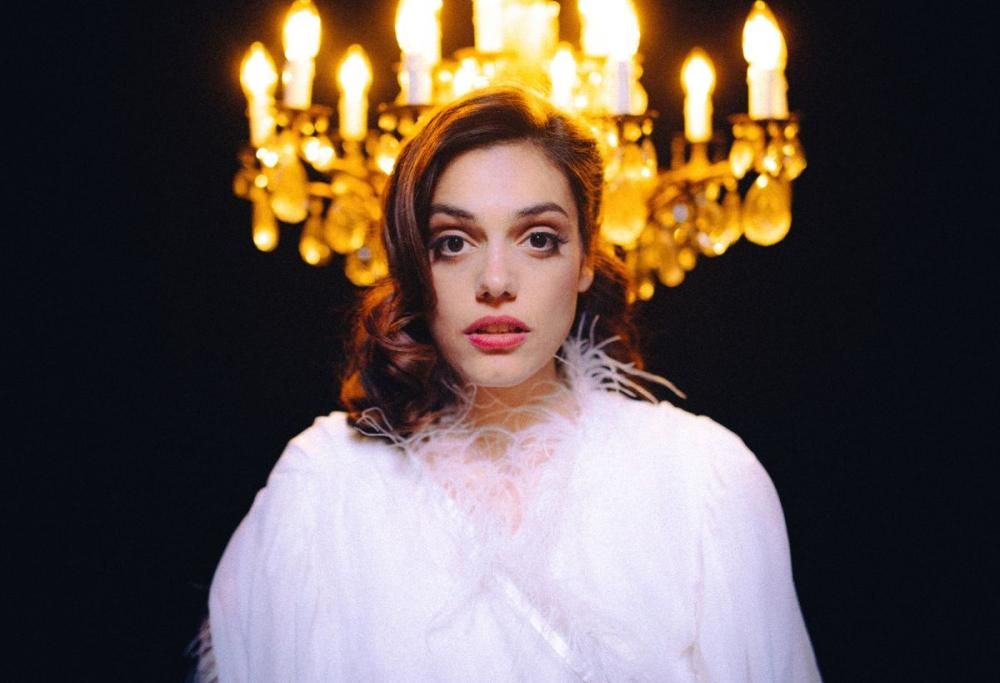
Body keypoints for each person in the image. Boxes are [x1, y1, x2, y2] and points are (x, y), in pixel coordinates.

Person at [198, 87, 821, 681]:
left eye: (539, 239)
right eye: (452, 243)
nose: (495, 281)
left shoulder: (702, 479)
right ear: (412, 263)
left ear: (585, 259)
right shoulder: (323, 484)